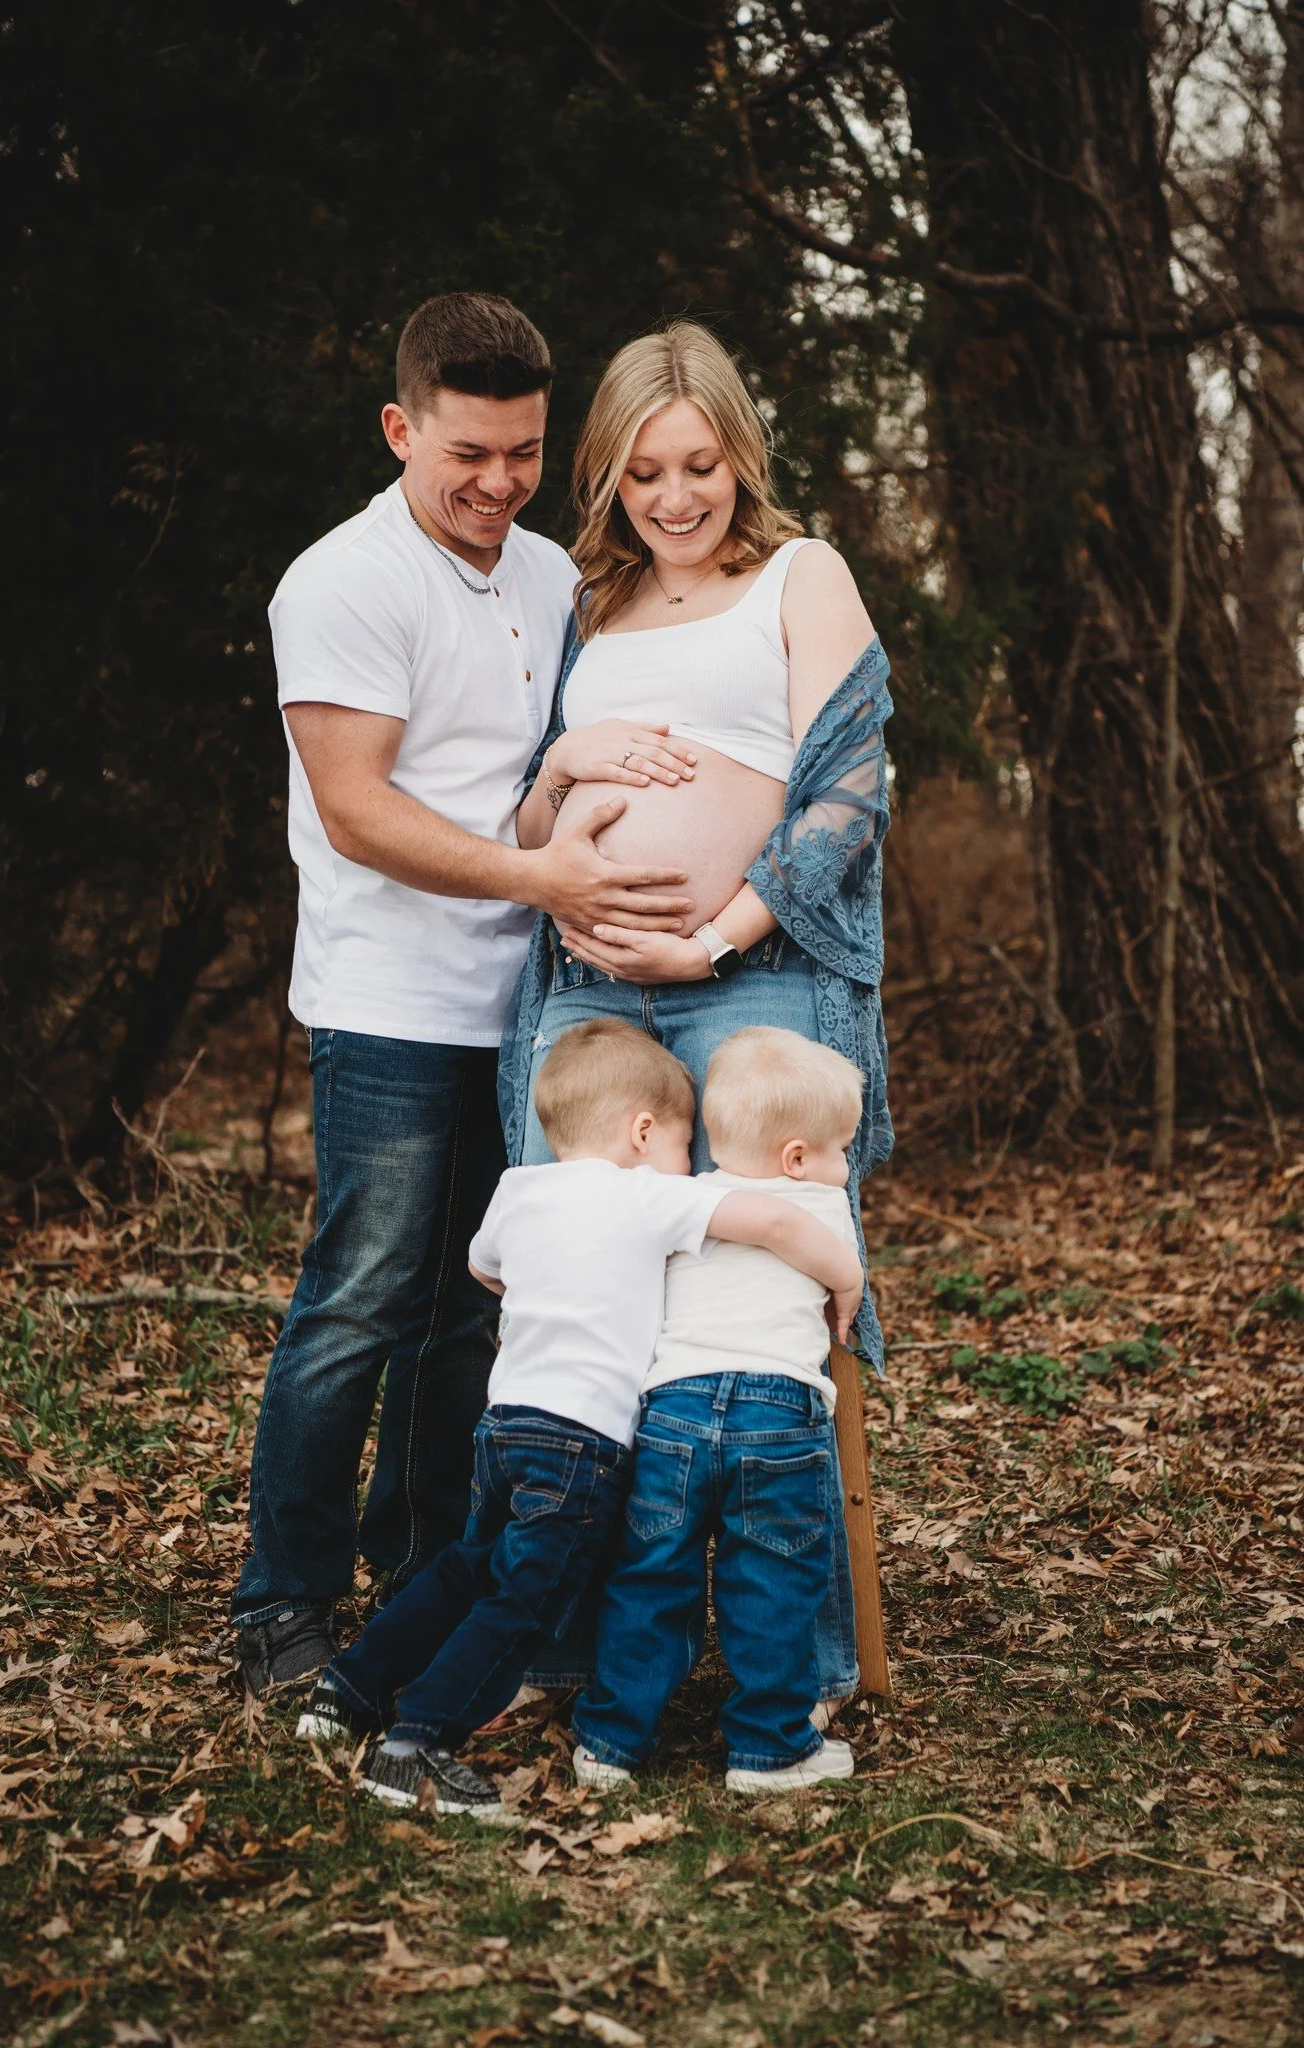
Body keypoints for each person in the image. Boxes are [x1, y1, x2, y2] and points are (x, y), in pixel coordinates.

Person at [233, 294, 698, 1699]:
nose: (499, 482)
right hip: (388, 1001)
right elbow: (358, 809)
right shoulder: (343, 581)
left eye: (524, 452)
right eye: (468, 454)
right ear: (400, 428)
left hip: (531, 1009)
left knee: (479, 1310)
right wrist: (543, 876)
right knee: (362, 1300)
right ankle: (283, 1603)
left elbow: (557, 760)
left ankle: (429, 1575)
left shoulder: (553, 575)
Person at [499, 320, 895, 1705]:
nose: (675, 498)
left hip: (755, 977)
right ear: (607, 475)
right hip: (587, 989)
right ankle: (567, 1642)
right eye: (644, 472)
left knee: (767, 1303)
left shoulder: (800, 573)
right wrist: (568, 764)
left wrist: (714, 933)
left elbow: (850, 788)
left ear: (741, 457)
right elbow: (528, 826)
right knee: (581, 1296)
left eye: (700, 466)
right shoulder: (585, 607)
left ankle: (801, 1656)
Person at [292, 1019, 861, 1822]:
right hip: (579, 1443)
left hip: (505, 1424)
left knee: (476, 1567)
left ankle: (350, 1686)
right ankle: (416, 1741)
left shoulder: (517, 1189)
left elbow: (484, 1269)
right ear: (642, 1132)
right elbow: (771, 1222)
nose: (687, 1161)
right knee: (525, 1600)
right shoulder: (649, 1195)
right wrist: (846, 1278)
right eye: (681, 1143)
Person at [572, 1026, 864, 1793]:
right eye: (842, 1149)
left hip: (673, 1407)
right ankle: (769, 1748)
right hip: (777, 1412)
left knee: (649, 1577)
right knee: (771, 1581)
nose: (846, 1166)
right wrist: (849, 1281)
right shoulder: (822, 1206)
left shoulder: (674, 1200)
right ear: (796, 1158)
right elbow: (828, 1263)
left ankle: (608, 1741)